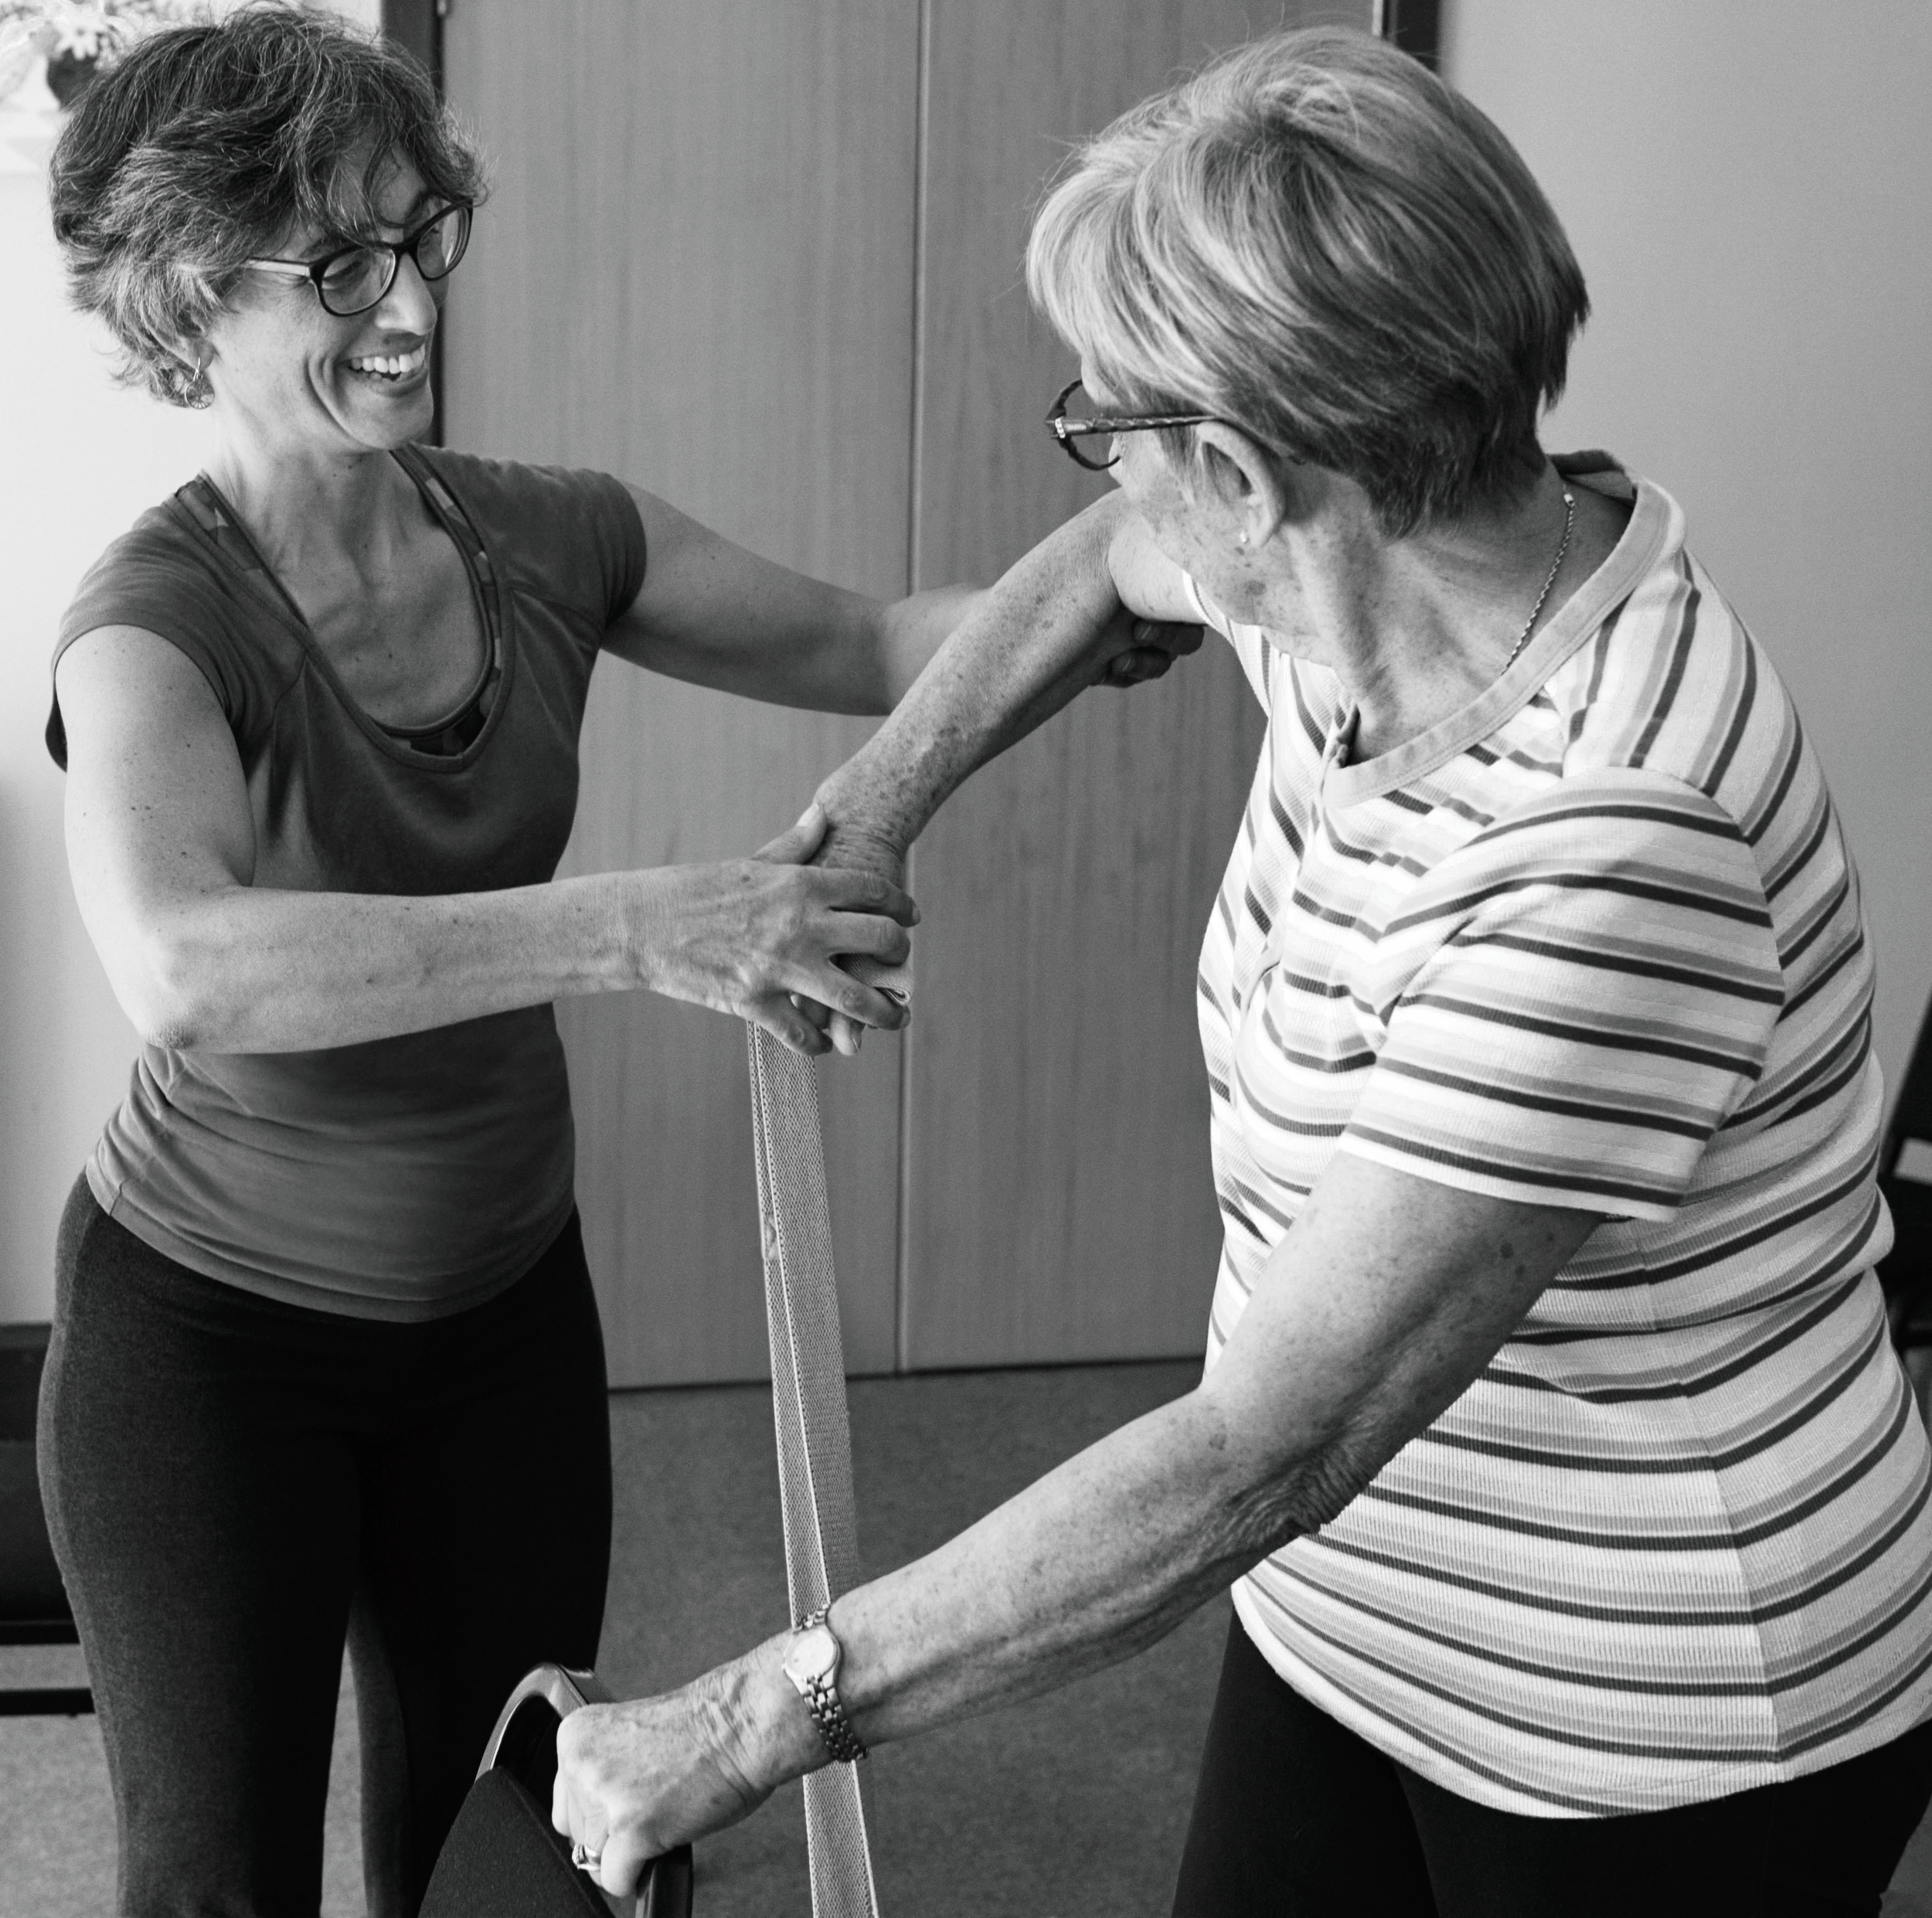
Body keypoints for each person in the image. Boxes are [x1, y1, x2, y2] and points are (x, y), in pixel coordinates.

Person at [555, 26, 1932, 1916]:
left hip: (1647, 1710)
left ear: (1246, 465)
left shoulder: (1613, 837)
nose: (1114, 466)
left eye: (1114, 418)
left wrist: (739, 1718)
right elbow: (1110, 558)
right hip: (1352, 1601)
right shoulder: (1363, 568)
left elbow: (1257, 1446)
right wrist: (872, 808)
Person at [36, 12, 1184, 1914]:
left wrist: (1164, 551)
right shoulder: (150, 622)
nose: (405, 302)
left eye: (420, 236)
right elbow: (189, 967)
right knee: (215, 1881)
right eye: (338, 266)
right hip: (210, 1341)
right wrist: (651, 923)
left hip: (498, 1321)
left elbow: (890, 637)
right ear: (185, 305)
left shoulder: (546, 536)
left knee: (505, 1850)